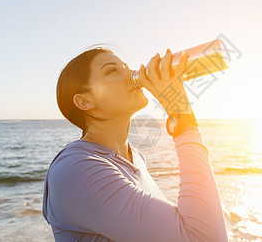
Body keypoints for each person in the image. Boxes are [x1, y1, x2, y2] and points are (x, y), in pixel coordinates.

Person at [42, 46, 228, 241]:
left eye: (126, 67)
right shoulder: (76, 170)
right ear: (85, 101)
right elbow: (204, 237)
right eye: (112, 70)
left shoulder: (135, 158)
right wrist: (182, 115)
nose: (131, 73)